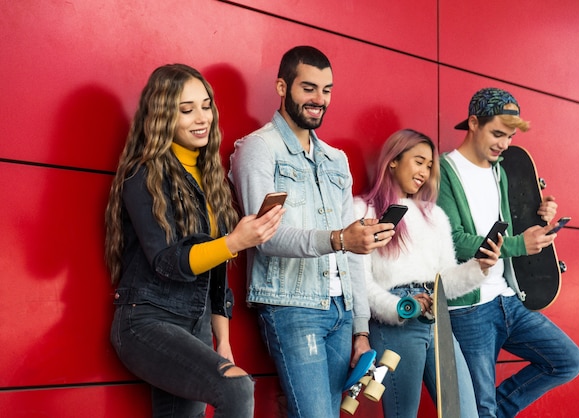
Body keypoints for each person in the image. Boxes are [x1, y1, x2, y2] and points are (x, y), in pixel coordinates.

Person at [105, 64, 285, 418]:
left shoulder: (209, 177)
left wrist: (225, 343)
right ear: (161, 116)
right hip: (146, 323)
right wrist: (234, 241)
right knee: (237, 388)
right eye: (186, 110)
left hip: (196, 325)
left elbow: (216, 274)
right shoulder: (143, 173)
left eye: (206, 106)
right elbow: (167, 261)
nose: (201, 118)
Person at [228, 45, 396, 418]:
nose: (319, 99)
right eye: (309, 88)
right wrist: (338, 238)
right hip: (291, 307)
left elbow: (351, 247)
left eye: (327, 90)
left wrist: (361, 327)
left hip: (340, 310)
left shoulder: (336, 159)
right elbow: (265, 236)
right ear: (282, 87)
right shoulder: (258, 149)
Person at [437, 87, 579, 417]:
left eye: (510, 136)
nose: (505, 143)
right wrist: (518, 245)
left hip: (508, 299)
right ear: (473, 123)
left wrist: (539, 212)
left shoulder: (499, 170)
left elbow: (506, 223)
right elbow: (455, 241)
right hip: (469, 309)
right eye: (498, 133)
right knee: (480, 407)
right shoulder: (444, 171)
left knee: (566, 361)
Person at [354, 129, 502, 418]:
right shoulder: (362, 209)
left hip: (436, 318)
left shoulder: (434, 215)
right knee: (403, 413)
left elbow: (444, 279)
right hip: (395, 322)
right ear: (393, 161)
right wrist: (398, 307)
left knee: (464, 413)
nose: (424, 171)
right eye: (418, 161)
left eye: (429, 166)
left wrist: (479, 267)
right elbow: (360, 283)